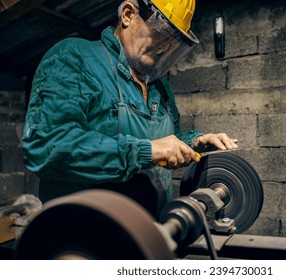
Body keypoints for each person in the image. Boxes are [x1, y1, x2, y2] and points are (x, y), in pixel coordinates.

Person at [22, 0, 238, 216]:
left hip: (151, 233)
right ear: (127, 14)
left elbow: (165, 139)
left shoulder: (159, 86)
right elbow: (47, 146)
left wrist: (195, 142)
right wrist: (146, 151)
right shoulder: (74, 58)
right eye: (161, 33)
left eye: (174, 41)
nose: (165, 47)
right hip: (85, 237)